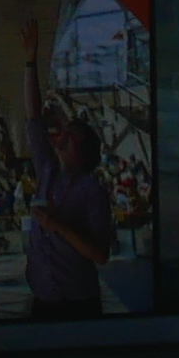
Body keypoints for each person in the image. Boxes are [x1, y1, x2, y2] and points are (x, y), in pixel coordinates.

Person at [19, 107, 115, 317]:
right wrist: (30, 72)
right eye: (64, 132)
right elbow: (34, 121)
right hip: (42, 299)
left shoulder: (92, 190)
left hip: (78, 304)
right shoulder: (46, 172)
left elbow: (100, 254)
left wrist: (59, 226)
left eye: (72, 135)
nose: (63, 136)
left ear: (84, 152)